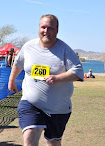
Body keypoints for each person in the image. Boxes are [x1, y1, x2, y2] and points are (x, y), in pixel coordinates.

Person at [8, 14, 84, 146]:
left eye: (50, 28)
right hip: (31, 103)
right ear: (38, 28)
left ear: (57, 30)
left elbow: (78, 72)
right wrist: (11, 81)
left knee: (53, 142)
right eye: (43, 27)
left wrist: (58, 78)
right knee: (29, 136)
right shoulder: (28, 47)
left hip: (58, 109)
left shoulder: (64, 49)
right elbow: (18, 63)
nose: (46, 31)